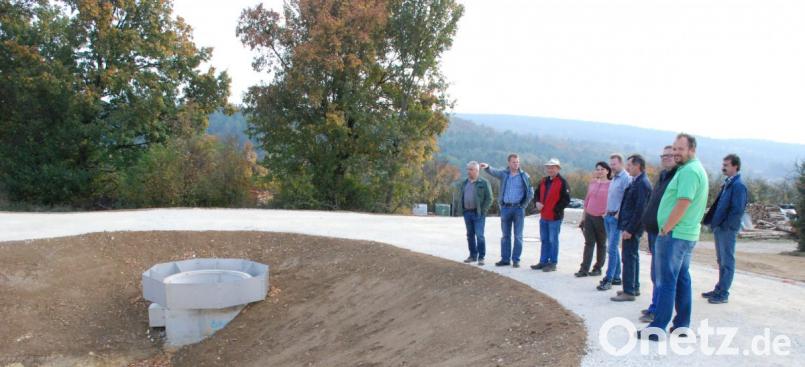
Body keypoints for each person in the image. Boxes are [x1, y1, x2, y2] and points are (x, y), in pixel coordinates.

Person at [640, 133, 709, 341]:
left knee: (666, 281)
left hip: (675, 234)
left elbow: (683, 202)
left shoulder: (689, 171)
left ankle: (657, 328)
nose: (677, 153)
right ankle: (681, 325)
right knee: (681, 279)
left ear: (692, 150)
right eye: (675, 149)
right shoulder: (692, 169)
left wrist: (666, 228)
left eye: (681, 149)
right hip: (685, 234)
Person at [638, 146, 679, 323]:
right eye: (664, 155)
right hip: (655, 231)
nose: (666, 158)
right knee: (656, 274)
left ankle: (659, 311)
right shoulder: (663, 176)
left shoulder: (678, 176)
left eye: (670, 155)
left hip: (666, 232)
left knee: (663, 275)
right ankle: (654, 306)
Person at [701, 154, 748, 304]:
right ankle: (719, 288)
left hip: (727, 229)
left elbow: (737, 210)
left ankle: (723, 293)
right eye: (723, 164)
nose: (724, 167)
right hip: (720, 227)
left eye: (727, 165)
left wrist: (726, 226)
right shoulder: (728, 183)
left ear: (735, 166)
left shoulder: (738, 185)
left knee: (727, 261)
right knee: (721, 260)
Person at [610, 154, 652, 301]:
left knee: (629, 258)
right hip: (629, 225)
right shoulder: (637, 181)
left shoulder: (642, 184)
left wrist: (630, 229)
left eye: (630, 165)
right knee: (631, 257)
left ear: (637, 166)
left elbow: (640, 210)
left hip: (632, 228)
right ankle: (633, 287)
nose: (627, 168)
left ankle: (629, 291)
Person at [481, 154, 534, 268]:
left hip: (518, 209)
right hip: (505, 208)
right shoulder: (504, 174)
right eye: (514, 162)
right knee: (505, 235)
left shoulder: (525, 176)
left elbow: (531, 192)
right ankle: (505, 259)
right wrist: (487, 167)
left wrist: (523, 205)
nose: (516, 164)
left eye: (517, 162)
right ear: (509, 163)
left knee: (518, 236)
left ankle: (516, 260)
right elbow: (494, 172)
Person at [598, 153, 632, 291]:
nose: (612, 166)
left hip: (617, 219)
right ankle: (617, 276)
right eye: (611, 164)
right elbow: (611, 196)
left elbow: (627, 198)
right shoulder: (614, 179)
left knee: (611, 249)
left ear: (621, 164)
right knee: (612, 248)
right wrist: (606, 211)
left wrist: (619, 213)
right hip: (608, 216)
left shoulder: (626, 179)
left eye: (614, 164)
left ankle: (609, 278)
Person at [531, 158, 570, 272]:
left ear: (558, 168)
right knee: (544, 240)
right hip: (543, 216)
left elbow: (566, 199)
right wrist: (537, 202)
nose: (550, 169)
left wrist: (556, 210)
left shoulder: (562, 182)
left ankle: (552, 263)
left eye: (553, 167)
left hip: (554, 217)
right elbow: (537, 193)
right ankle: (543, 262)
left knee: (553, 240)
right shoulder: (543, 180)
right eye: (548, 167)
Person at [575, 162, 611, 277]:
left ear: (607, 171)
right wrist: (583, 218)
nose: (599, 171)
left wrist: (607, 214)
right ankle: (584, 269)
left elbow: (613, 201)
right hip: (589, 216)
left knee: (601, 244)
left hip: (601, 218)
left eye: (602, 169)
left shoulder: (611, 184)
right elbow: (587, 200)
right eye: (597, 169)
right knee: (589, 243)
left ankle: (597, 268)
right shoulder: (592, 182)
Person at [457, 161, 494, 266]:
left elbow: (490, 198)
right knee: (470, 235)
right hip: (467, 213)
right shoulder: (465, 183)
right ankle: (473, 256)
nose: (469, 171)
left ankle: (481, 257)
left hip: (478, 213)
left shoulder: (484, 182)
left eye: (471, 169)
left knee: (479, 235)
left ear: (477, 171)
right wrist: (462, 210)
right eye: (468, 169)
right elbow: (462, 196)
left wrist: (483, 211)